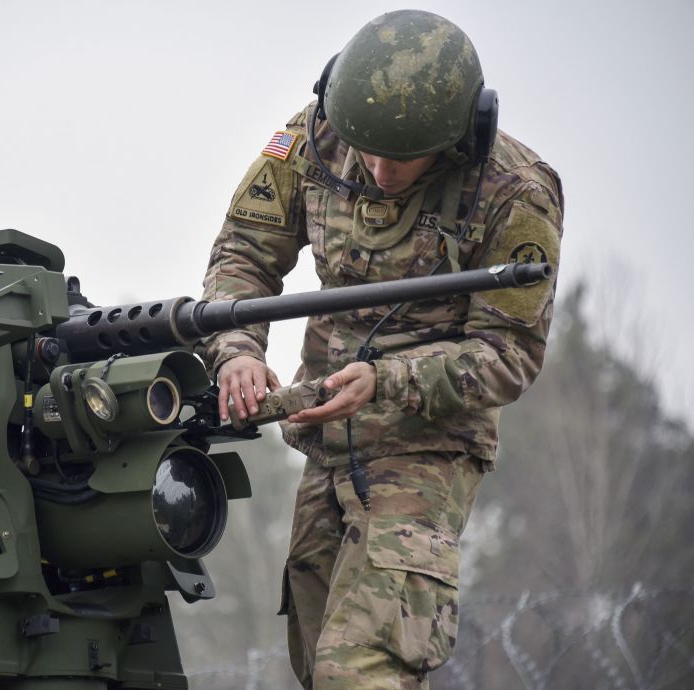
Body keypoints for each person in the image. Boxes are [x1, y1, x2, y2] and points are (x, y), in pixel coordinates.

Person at [198, 10, 563, 690]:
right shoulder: (313, 138)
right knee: (316, 664)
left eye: (402, 156)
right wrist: (238, 350)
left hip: (428, 448)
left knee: (356, 670)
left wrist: (388, 381)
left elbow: (508, 352)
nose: (378, 168)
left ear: (458, 136)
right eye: (367, 149)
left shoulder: (515, 191)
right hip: (327, 440)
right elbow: (244, 251)